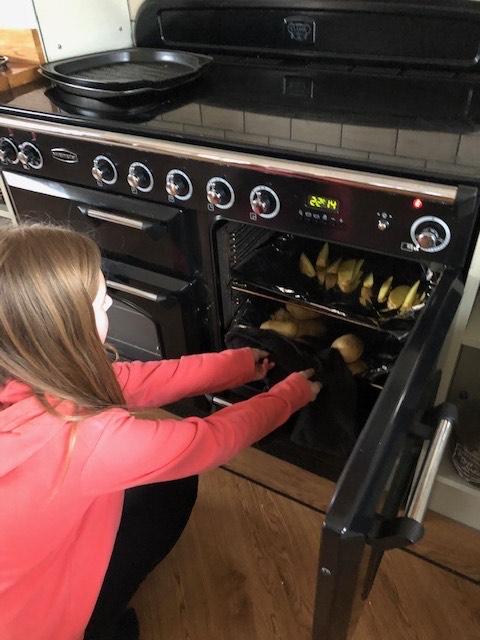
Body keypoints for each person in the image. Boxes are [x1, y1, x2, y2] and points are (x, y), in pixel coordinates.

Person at [0, 224, 321, 640]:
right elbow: (208, 440)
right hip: (31, 623)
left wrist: (240, 364)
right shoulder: (87, 439)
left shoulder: (28, 370)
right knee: (175, 482)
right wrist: (289, 398)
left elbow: (144, 379)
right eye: (100, 300)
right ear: (70, 330)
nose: (110, 301)